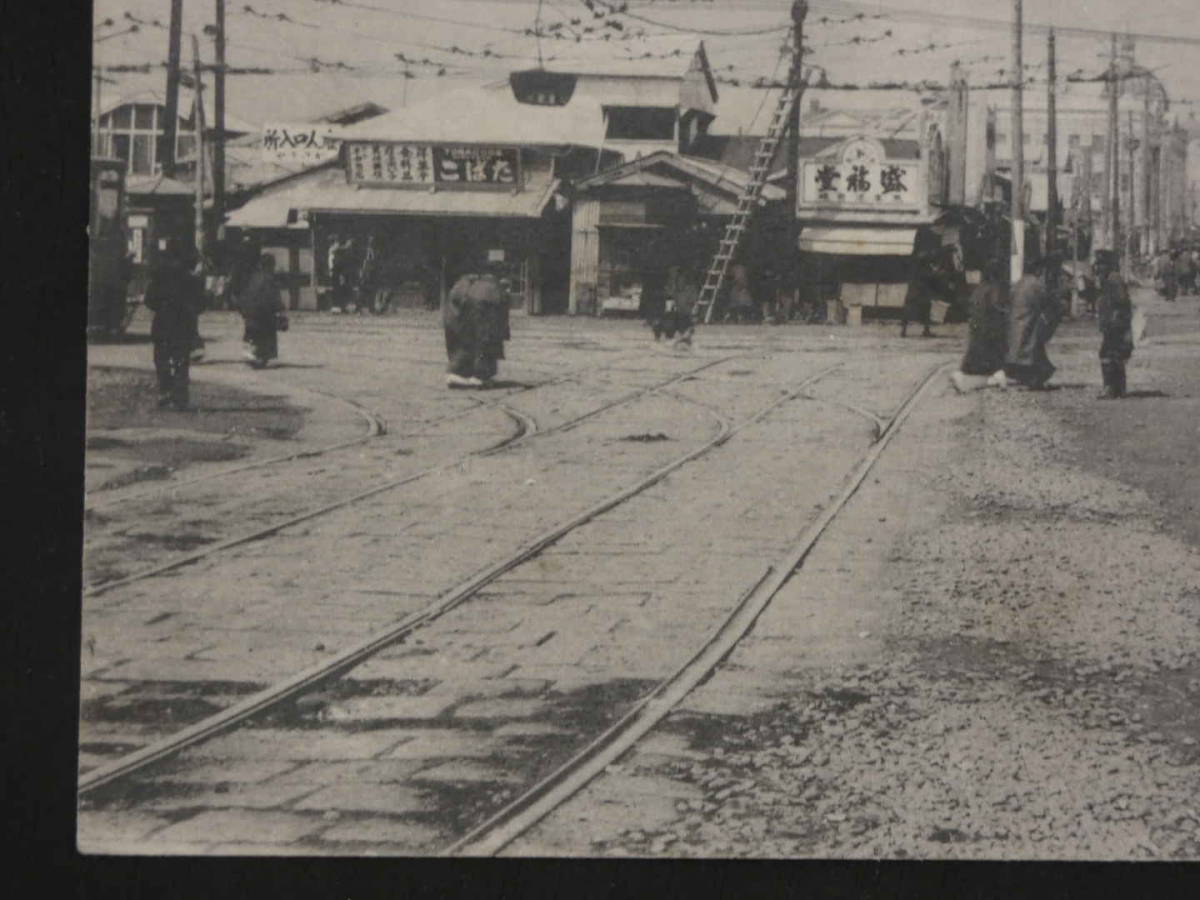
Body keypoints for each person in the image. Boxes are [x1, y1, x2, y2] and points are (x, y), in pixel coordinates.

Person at [143, 239, 204, 409]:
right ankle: (180, 396)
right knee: (181, 360)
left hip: (162, 322)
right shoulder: (191, 278)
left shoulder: (159, 276)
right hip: (184, 323)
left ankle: (165, 391)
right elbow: (201, 304)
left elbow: (150, 301)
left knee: (161, 359)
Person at [442, 264, 511, 388]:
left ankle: (458, 372)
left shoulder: (465, 283)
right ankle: (479, 375)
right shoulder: (493, 288)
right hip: (482, 311)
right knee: (486, 342)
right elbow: (499, 320)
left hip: (459, 315)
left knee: (465, 342)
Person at [1004, 252, 1065, 389]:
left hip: (1015, 322)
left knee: (1026, 350)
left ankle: (1029, 377)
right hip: (1028, 323)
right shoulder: (1036, 284)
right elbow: (1049, 301)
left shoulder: (1019, 282)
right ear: (1039, 270)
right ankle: (1034, 379)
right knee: (1032, 349)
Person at [951, 256, 1010, 392]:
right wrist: (1006, 312)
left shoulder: (980, 288)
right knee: (995, 354)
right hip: (990, 327)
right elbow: (996, 306)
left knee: (974, 355)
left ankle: (962, 375)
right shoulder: (994, 288)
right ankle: (999, 378)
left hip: (977, 327)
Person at [1094, 249, 1134, 399]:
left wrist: (1113, 318)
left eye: (1102, 264)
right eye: (1098, 264)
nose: (1098, 268)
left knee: (1108, 354)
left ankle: (1111, 388)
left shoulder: (1113, 279)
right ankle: (1118, 389)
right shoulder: (1109, 279)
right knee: (1113, 355)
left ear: (1109, 265)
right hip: (1111, 323)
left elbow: (1122, 300)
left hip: (1115, 324)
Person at [239, 254, 286, 369]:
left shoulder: (254, 278)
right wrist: (280, 309)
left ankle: (254, 351)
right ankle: (260, 353)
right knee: (269, 327)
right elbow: (273, 299)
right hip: (261, 315)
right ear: (270, 266)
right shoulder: (269, 280)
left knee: (254, 331)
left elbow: (245, 296)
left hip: (248, 313)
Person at [900, 248, 951, 337]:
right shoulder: (925, 269)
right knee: (926, 310)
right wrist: (940, 273)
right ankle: (926, 330)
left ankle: (903, 331)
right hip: (921, 293)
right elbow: (931, 277)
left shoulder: (914, 268)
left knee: (907, 312)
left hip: (912, 292)